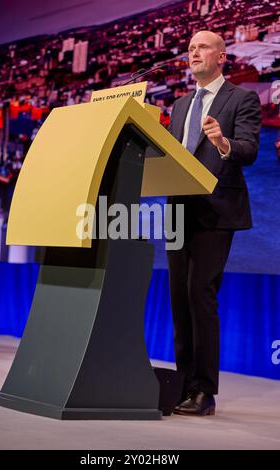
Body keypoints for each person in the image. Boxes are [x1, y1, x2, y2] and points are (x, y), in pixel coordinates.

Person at [167, 30, 261, 416]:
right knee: (178, 298)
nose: (194, 52)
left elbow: (249, 150)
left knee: (199, 294)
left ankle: (204, 390)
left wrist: (223, 142)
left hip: (216, 208)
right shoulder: (178, 104)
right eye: (190, 48)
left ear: (222, 57)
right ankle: (182, 383)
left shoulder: (242, 98)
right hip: (177, 209)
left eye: (202, 46)